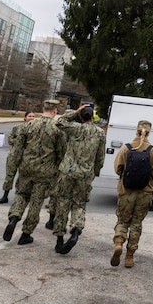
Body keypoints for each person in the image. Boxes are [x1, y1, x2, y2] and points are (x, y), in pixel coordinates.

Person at [3, 99, 66, 245]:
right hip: (45, 171)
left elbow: (17, 149)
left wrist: (12, 171)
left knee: (21, 194)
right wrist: (58, 170)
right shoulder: (58, 128)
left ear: (43, 109)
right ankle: (26, 233)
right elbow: (61, 152)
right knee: (36, 202)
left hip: (26, 168)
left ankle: (14, 217)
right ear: (55, 111)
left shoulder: (28, 125)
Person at [50, 103, 106, 254]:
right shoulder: (100, 133)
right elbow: (100, 157)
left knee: (62, 202)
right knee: (79, 204)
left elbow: (59, 122)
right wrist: (95, 171)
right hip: (85, 173)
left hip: (68, 172)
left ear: (81, 117)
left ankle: (60, 238)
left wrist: (75, 112)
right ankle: (75, 231)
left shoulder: (75, 128)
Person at [111, 120, 153, 268]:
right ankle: (129, 257)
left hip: (126, 191)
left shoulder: (126, 148)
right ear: (149, 132)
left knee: (122, 221)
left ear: (136, 131)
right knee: (136, 224)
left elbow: (117, 168)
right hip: (144, 193)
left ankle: (119, 243)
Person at [0, 110, 42, 204]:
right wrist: (19, 141)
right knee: (9, 176)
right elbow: (10, 139)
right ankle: (5, 195)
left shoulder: (37, 130)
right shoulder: (17, 128)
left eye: (33, 116)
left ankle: (21, 198)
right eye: (30, 116)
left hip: (27, 156)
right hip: (14, 155)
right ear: (25, 118)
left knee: (24, 178)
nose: (32, 118)